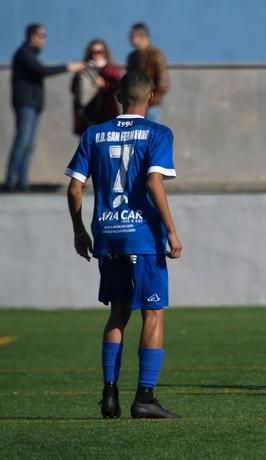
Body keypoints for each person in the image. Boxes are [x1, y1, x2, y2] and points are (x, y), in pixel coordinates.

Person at [65, 71, 183, 418]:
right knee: (153, 312)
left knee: (118, 313)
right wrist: (172, 231)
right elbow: (153, 182)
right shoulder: (159, 133)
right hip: (143, 236)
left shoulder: (93, 134)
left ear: (118, 97)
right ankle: (145, 397)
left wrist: (78, 230)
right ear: (149, 98)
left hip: (107, 233)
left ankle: (109, 396)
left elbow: (74, 188)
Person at [4, 23, 84, 192]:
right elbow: (41, 70)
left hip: (33, 105)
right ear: (32, 36)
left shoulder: (30, 54)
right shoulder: (24, 54)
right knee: (22, 141)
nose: (44, 39)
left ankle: (22, 182)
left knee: (29, 144)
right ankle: (11, 181)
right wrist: (68, 67)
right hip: (26, 104)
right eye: (42, 35)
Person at [71, 39, 121, 135]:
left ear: (105, 53)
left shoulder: (111, 69)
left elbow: (117, 86)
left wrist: (104, 84)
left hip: (106, 113)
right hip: (87, 115)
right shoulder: (83, 69)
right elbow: (73, 89)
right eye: (92, 52)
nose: (96, 55)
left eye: (99, 52)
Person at [126, 22, 169, 122]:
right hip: (134, 105)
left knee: (150, 135)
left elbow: (163, 83)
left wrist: (149, 100)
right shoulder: (132, 57)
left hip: (151, 106)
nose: (129, 39)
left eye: (132, 36)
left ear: (142, 36)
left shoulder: (156, 55)